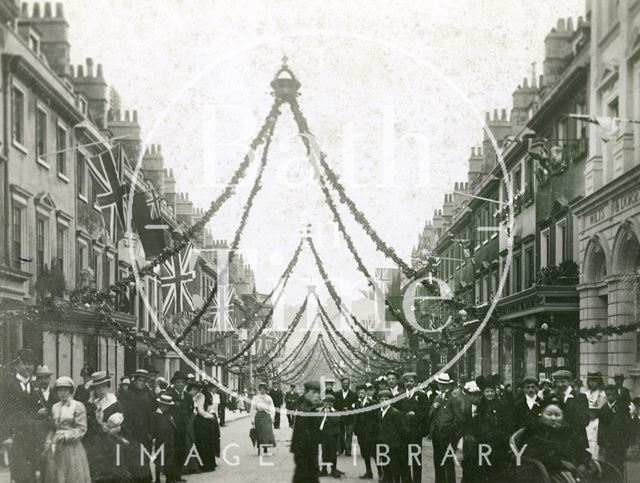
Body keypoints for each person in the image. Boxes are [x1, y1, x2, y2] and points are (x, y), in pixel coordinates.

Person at [520, 395, 598, 482]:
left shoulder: (566, 431)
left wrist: (583, 462)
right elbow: (535, 454)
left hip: (571, 469)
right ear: (542, 415)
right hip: (546, 472)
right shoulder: (535, 431)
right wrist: (561, 463)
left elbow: (578, 450)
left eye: (557, 415)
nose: (553, 418)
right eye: (549, 414)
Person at [0, 349, 44, 483]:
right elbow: (3, 412)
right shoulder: (7, 385)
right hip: (15, 437)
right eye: (25, 363)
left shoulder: (35, 386)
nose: (29, 367)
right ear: (17, 365)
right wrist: (6, 436)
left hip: (34, 438)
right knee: (19, 474)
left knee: (35, 474)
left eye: (31, 363)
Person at [84, 371, 130, 482]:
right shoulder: (94, 403)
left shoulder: (114, 402)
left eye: (103, 387)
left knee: (114, 468)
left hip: (112, 440)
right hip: (98, 440)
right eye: (98, 388)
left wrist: (116, 429)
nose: (101, 390)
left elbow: (124, 421)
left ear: (107, 387)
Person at [45, 376, 92, 483]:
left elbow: (81, 429)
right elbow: (53, 427)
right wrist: (48, 439)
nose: (62, 393)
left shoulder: (78, 406)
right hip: (56, 447)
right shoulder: (55, 407)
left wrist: (65, 436)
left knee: (72, 475)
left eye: (65, 390)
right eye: (60, 390)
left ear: (70, 391)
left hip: (72, 447)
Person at [472, 381, 511, 482]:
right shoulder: (480, 406)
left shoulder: (501, 405)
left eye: (491, 391)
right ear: (484, 393)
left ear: (495, 392)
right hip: (483, 444)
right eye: (487, 391)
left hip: (498, 444)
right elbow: (476, 425)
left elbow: (506, 424)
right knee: (483, 471)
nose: (489, 394)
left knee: (497, 471)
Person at [120, 369, 154, 482]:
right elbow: (122, 413)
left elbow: (153, 413)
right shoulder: (127, 395)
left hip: (146, 431)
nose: (142, 383)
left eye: (144, 381)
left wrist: (151, 431)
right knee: (133, 457)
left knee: (145, 457)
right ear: (134, 381)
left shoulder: (149, 395)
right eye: (140, 380)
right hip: (131, 431)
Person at [428, 373, 462, 483]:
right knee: (437, 461)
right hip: (436, 435)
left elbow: (458, 419)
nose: (441, 386)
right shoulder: (437, 398)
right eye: (440, 384)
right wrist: (434, 407)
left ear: (448, 385)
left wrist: (450, 431)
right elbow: (429, 415)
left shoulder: (453, 399)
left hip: (447, 435)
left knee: (448, 462)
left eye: (444, 384)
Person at [397, 372, 429, 483]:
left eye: (411, 381)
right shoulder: (399, 396)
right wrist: (404, 416)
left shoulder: (421, 396)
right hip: (403, 433)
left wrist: (415, 415)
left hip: (416, 433)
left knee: (416, 459)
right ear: (403, 383)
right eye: (406, 382)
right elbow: (396, 413)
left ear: (415, 382)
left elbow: (425, 412)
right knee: (404, 459)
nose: (409, 384)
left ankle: (417, 481)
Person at [291, 380, 322, 483]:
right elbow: (304, 437)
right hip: (304, 455)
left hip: (309, 454)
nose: (317, 396)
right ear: (306, 393)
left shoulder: (311, 408)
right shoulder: (304, 410)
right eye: (313, 393)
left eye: (318, 393)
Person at [598, 384, 633, 473]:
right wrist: (601, 443)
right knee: (608, 466)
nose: (610, 397)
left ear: (616, 395)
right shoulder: (603, 409)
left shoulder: (623, 409)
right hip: (607, 444)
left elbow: (628, 427)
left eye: (612, 395)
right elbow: (601, 426)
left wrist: (627, 443)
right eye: (608, 395)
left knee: (619, 466)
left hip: (619, 443)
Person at [166, 370, 193, 480]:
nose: (181, 384)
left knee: (181, 452)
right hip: (172, 429)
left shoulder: (187, 396)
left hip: (183, 429)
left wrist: (187, 422)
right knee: (172, 453)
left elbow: (191, 409)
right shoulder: (169, 395)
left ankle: (178, 475)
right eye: (178, 382)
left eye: (183, 382)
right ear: (174, 383)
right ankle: (170, 476)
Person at [552, 370, 590, 448]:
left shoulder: (580, 397)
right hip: (558, 441)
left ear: (569, 382)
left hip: (576, 440)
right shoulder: (553, 397)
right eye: (557, 382)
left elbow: (584, 420)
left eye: (563, 382)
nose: (560, 384)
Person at [378, 389, 408, 483]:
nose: (384, 402)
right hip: (383, 444)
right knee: (386, 467)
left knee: (395, 468)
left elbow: (402, 430)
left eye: (386, 399)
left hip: (394, 446)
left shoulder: (395, 413)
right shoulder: (380, 413)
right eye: (382, 400)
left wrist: (399, 444)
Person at [354, 383, 381, 480]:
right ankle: (368, 472)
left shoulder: (373, 403)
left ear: (366, 392)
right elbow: (356, 418)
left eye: (362, 393)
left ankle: (380, 473)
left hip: (371, 434)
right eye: (358, 393)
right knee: (365, 453)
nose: (360, 395)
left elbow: (376, 418)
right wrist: (355, 430)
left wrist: (374, 431)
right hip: (361, 434)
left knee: (375, 454)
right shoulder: (357, 404)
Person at [193, 381, 220, 472]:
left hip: (204, 421)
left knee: (205, 443)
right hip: (205, 420)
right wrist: (210, 416)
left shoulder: (204, 395)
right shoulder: (204, 395)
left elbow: (202, 409)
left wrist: (210, 416)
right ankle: (209, 464)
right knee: (206, 443)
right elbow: (203, 409)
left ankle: (208, 464)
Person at [151, 394, 178, 483]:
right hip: (160, 440)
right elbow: (153, 429)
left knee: (169, 460)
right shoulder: (155, 415)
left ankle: (169, 478)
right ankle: (157, 478)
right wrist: (153, 438)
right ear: (160, 405)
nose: (166, 408)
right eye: (164, 406)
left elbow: (173, 427)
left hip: (170, 440)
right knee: (159, 460)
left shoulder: (169, 415)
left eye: (168, 406)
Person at [584, 372, 607, 459]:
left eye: (594, 381)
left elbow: (600, 407)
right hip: (587, 420)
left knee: (594, 442)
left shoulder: (602, 394)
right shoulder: (586, 393)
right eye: (590, 380)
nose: (592, 383)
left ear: (599, 382)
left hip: (596, 421)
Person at [319, 394, 342, 478]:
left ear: (332, 403)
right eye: (325, 402)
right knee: (324, 453)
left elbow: (335, 421)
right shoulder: (321, 411)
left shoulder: (335, 412)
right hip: (324, 435)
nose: (327, 404)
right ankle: (324, 469)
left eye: (329, 403)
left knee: (332, 453)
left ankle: (333, 469)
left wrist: (328, 415)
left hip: (332, 435)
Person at [334, 376, 358, 456]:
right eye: (344, 383)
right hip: (340, 417)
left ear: (349, 384)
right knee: (340, 434)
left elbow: (356, 405)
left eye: (347, 383)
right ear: (341, 384)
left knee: (349, 434)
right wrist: (341, 408)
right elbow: (335, 405)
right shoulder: (337, 394)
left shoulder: (353, 394)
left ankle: (348, 450)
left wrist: (349, 408)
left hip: (349, 417)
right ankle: (340, 449)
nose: (345, 385)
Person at [250, 382, 276, 454]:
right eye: (261, 389)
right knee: (259, 432)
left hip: (266, 416)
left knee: (267, 432)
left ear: (266, 390)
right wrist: (252, 419)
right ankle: (259, 447)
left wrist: (272, 417)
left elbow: (272, 408)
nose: (263, 391)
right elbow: (252, 409)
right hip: (259, 416)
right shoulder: (255, 398)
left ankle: (265, 447)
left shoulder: (268, 398)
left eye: (264, 389)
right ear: (259, 389)